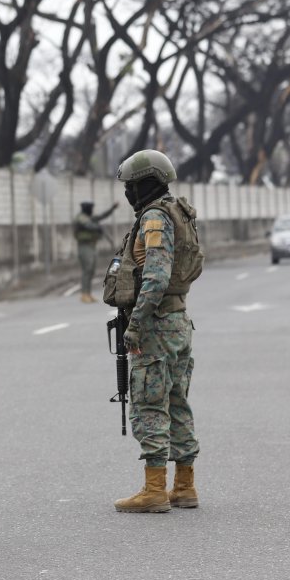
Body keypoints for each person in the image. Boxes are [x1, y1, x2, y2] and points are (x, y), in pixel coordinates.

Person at [104, 149, 204, 513]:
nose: (128, 194)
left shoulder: (155, 219)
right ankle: (185, 486)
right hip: (178, 322)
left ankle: (154, 490)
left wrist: (137, 324)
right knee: (177, 403)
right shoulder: (177, 212)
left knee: (150, 405)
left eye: (130, 186)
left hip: (157, 326)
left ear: (144, 184)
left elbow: (157, 276)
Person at [74, 200, 117, 303]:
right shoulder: (81, 217)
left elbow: (102, 216)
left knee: (91, 270)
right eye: (90, 209)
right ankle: (84, 294)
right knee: (87, 270)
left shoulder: (89, 218)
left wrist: (112, 208)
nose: (92, 211)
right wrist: (98, 227)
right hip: (84, 246)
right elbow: (89, 225)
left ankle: (88, 293)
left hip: (91, 246)